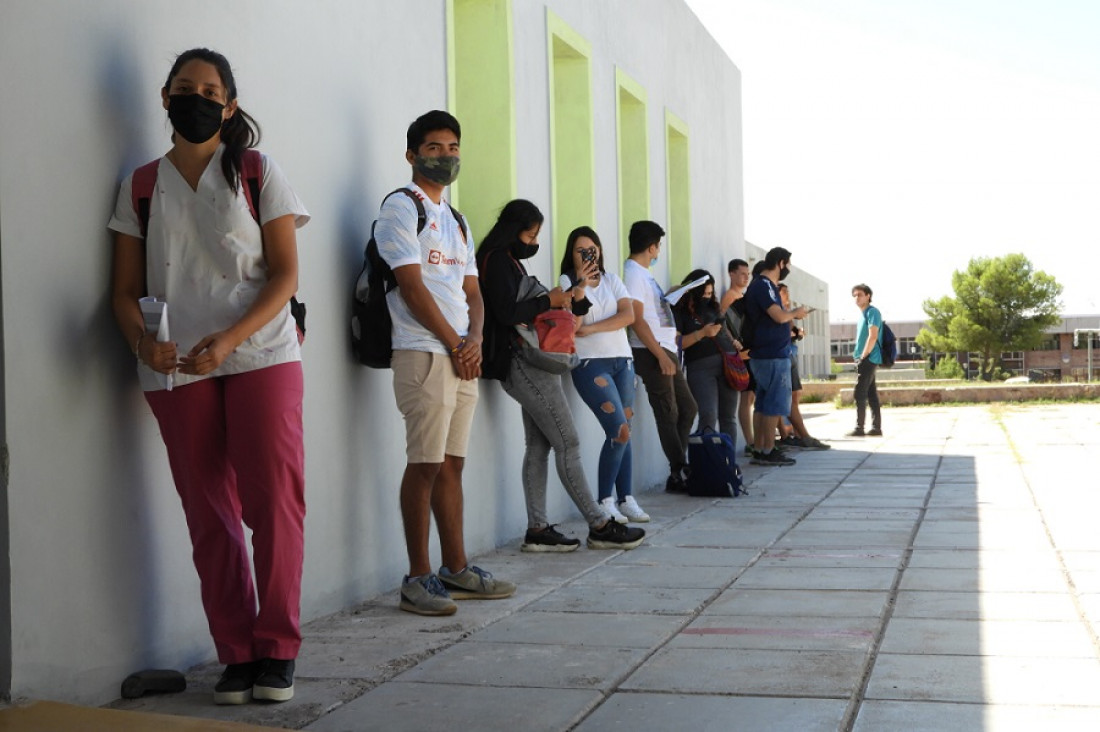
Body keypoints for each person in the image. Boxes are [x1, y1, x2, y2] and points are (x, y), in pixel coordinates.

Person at [109, 48, 307, 704]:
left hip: (261, 354)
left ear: (229, 104)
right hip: (177, 368)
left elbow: (285, 275)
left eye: (210, 90)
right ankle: (237, 651)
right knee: (209, 512)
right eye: (184, 88)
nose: (197, 98)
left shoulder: (256, 171)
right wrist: (143, 344)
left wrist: (230, 338)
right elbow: (124, 290)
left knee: (272, 504)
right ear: (165, 97)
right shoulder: (140, 184)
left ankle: (277, 647)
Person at [374, 110, 515, 616]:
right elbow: (411, 286)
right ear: (412, 154)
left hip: (460, 355)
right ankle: (417, 577)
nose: (446, 156)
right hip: (424, 353)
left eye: (453, 147)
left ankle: (456, 569)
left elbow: (472, 291)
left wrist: (474, 337)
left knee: (452, 464)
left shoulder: (457, 221)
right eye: (434, 148)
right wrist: (455, 342)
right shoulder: (400, 208)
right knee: (426, 464)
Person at [478, 204, 646, 550]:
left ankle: (538, 529)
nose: (534, 241)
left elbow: (576, 313)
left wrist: (573, 293)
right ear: (513, 230)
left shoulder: (508, 260)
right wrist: (548, 300)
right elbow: (507, 312)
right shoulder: (495, 260)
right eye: (531, 234)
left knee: (538, 446)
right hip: (521, 362)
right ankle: (599, 523)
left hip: (533, 361)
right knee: (568, 442)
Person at [560, 226, 649, 524]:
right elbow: (573, 325)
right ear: (571, 255)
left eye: (592, 249)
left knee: (626, 430)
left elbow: (629, 316)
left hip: (622, 361)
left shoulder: (612, 280)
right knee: (618, 430)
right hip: (590, 364)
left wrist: (593, 329)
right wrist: (580, 287)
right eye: (581, 250)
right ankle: (604, 500)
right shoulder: (566, 283)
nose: (588, 254)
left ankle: (626, 499)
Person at [622, 221, 698, 492]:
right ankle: (679, 470)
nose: (658, 252)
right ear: (651, 246)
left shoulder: (643, 274)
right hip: (651, 351)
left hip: (665, 349)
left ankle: (677, 471)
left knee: (687, 408)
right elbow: (636, 320)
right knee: (668, 411)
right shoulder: (632, 273)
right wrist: (660, 356)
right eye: (658, 247)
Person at [741, 247, 810, 466]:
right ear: (780, 263)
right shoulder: (763, 286)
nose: (788, 269)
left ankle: (761, 449)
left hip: (767, 354)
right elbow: (778, 316)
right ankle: (768, 449)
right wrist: (795, 313)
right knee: (772, 404)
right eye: (788, 264)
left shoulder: (765, 286)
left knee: (763, 404)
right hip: (771, 355)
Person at [674, 269, 738, 440]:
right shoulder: (680, 310)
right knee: (708, 415)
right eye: (703, 293)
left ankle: (728, 462)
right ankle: (707, 461)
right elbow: (678, 343)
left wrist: (736, 347)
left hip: (727, 365)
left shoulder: (713, 307)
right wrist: (702, 333)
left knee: (729, 418)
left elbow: (723, 333)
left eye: (710, 293)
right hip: (700, 367)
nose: (707, 297)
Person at [776, 284, 830, 450]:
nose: (787, 295)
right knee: (781, 399)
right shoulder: (777, 311)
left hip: (788, 353)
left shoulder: (786, 312)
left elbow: (790, 331)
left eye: (788, 291)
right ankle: (793, 435)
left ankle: (797, 434)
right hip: (781, 355)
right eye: (784, 292)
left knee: (794, 395)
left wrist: (797, 332)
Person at [719, 258, 755, 453]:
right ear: (731, 274)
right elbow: (722, 323)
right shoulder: (730, 296)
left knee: (749, 397)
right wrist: (734, 343)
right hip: (739, 352)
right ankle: (749, 441)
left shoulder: (741, 295)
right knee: (745, 397)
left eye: (747, 274)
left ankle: (752, 440)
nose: (745, 277)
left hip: (748, 351)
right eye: (742, 273)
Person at [849, 283, 883, 436]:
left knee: (859, 393)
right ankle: (876, 428)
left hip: (869, 358)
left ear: (868, 296)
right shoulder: (862, 315)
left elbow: (873, 336)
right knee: (871, 394)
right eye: (855, 295)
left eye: (860, 295)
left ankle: (859, 428)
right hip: (864, 358)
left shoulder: (872, 312)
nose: (857, 298)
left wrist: (863, 356)